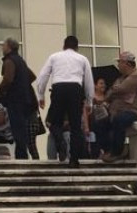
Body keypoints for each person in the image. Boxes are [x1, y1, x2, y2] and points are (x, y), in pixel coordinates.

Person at [37, 35, 95, 166]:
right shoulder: (82, 59)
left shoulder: (54, 57)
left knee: (54, 123)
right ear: (77, 47)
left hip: (58, 88)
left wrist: (41, 96)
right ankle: (74, 159)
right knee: (75, 127)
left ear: (64, 46)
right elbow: (89, 81)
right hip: (75, 89)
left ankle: (60, 142)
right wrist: (89, 101)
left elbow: (43, 76)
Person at [95, 51, 137, 163]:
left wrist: (114, 90)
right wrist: (113, 91)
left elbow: (120, 89)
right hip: (119, 111)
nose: (118, 65)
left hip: (135, 112)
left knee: (119, 120)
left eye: (120, 62)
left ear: (127, 64)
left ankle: (117, 152)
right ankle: (108, 150)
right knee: (100, 123)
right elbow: (111, 92)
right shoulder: (121, 78)